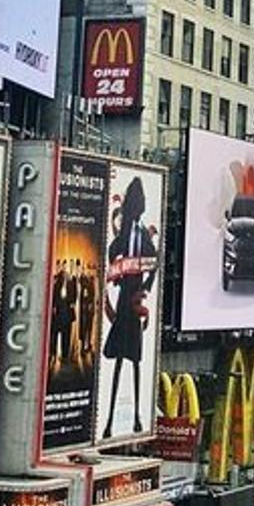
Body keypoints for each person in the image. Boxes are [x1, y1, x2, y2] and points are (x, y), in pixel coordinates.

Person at [100, 175, 160, 439]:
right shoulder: (125, 233)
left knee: (135, 360)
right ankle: (109, 421)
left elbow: (154, 261)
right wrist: (117, 272)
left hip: (134, 300)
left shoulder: (140, 232)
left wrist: (144, 287)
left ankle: (137, 416)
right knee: (120, 361)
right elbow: (111, 254)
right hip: (125, 300)